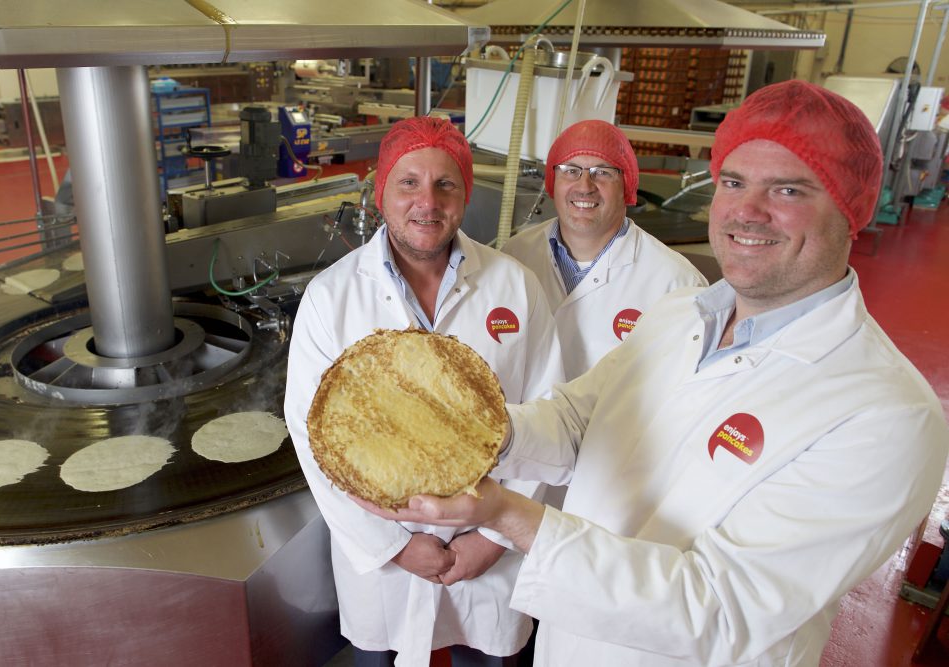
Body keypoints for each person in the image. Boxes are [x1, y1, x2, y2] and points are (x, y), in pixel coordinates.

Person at [356, 81, 949, 666]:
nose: (747, 211)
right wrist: (471, 430)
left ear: (850, 209)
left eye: (788, 189)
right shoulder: (681, 314)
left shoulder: (886, 415)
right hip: (571, 643)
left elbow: (722, 608)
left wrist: (508, 516)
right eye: (733, 183)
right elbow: (576, 419)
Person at [283, 116, 565, 667]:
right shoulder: (331, 296)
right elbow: (311, 436)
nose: (427, 202)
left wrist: (496, 538)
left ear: (466, 194)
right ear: (381, 192)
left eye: (445, 184)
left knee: (486, 654)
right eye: (408, 182)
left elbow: (547, 414)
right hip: (385, 559)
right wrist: (394, 546)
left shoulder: (514, 285)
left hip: (488, 548)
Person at [503, 120, 707, 378]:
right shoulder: (515, 255)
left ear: (627, 185)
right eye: (570, 170)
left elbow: (689, 388)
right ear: (553, 182)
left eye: (602, 172)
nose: (585, 186)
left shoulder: (677, 283)